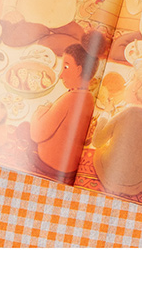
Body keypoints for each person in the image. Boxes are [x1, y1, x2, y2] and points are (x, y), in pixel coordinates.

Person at [91, 60, 142, 196]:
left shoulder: (123, 115)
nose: (126, 85)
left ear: (136, 87)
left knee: (100, 150)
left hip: (109, 176)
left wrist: (106, 113)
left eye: (131, 80)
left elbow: (97, 141)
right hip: (138, 180)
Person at [27, 41, 99, 183]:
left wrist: (39, 112)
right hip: (70, 166)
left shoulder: (69, 99)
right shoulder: (89, 98)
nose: (60, 75)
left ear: (78, 70)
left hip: (51, 165)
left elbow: (37, 135)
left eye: (66, 67)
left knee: (24, 129)